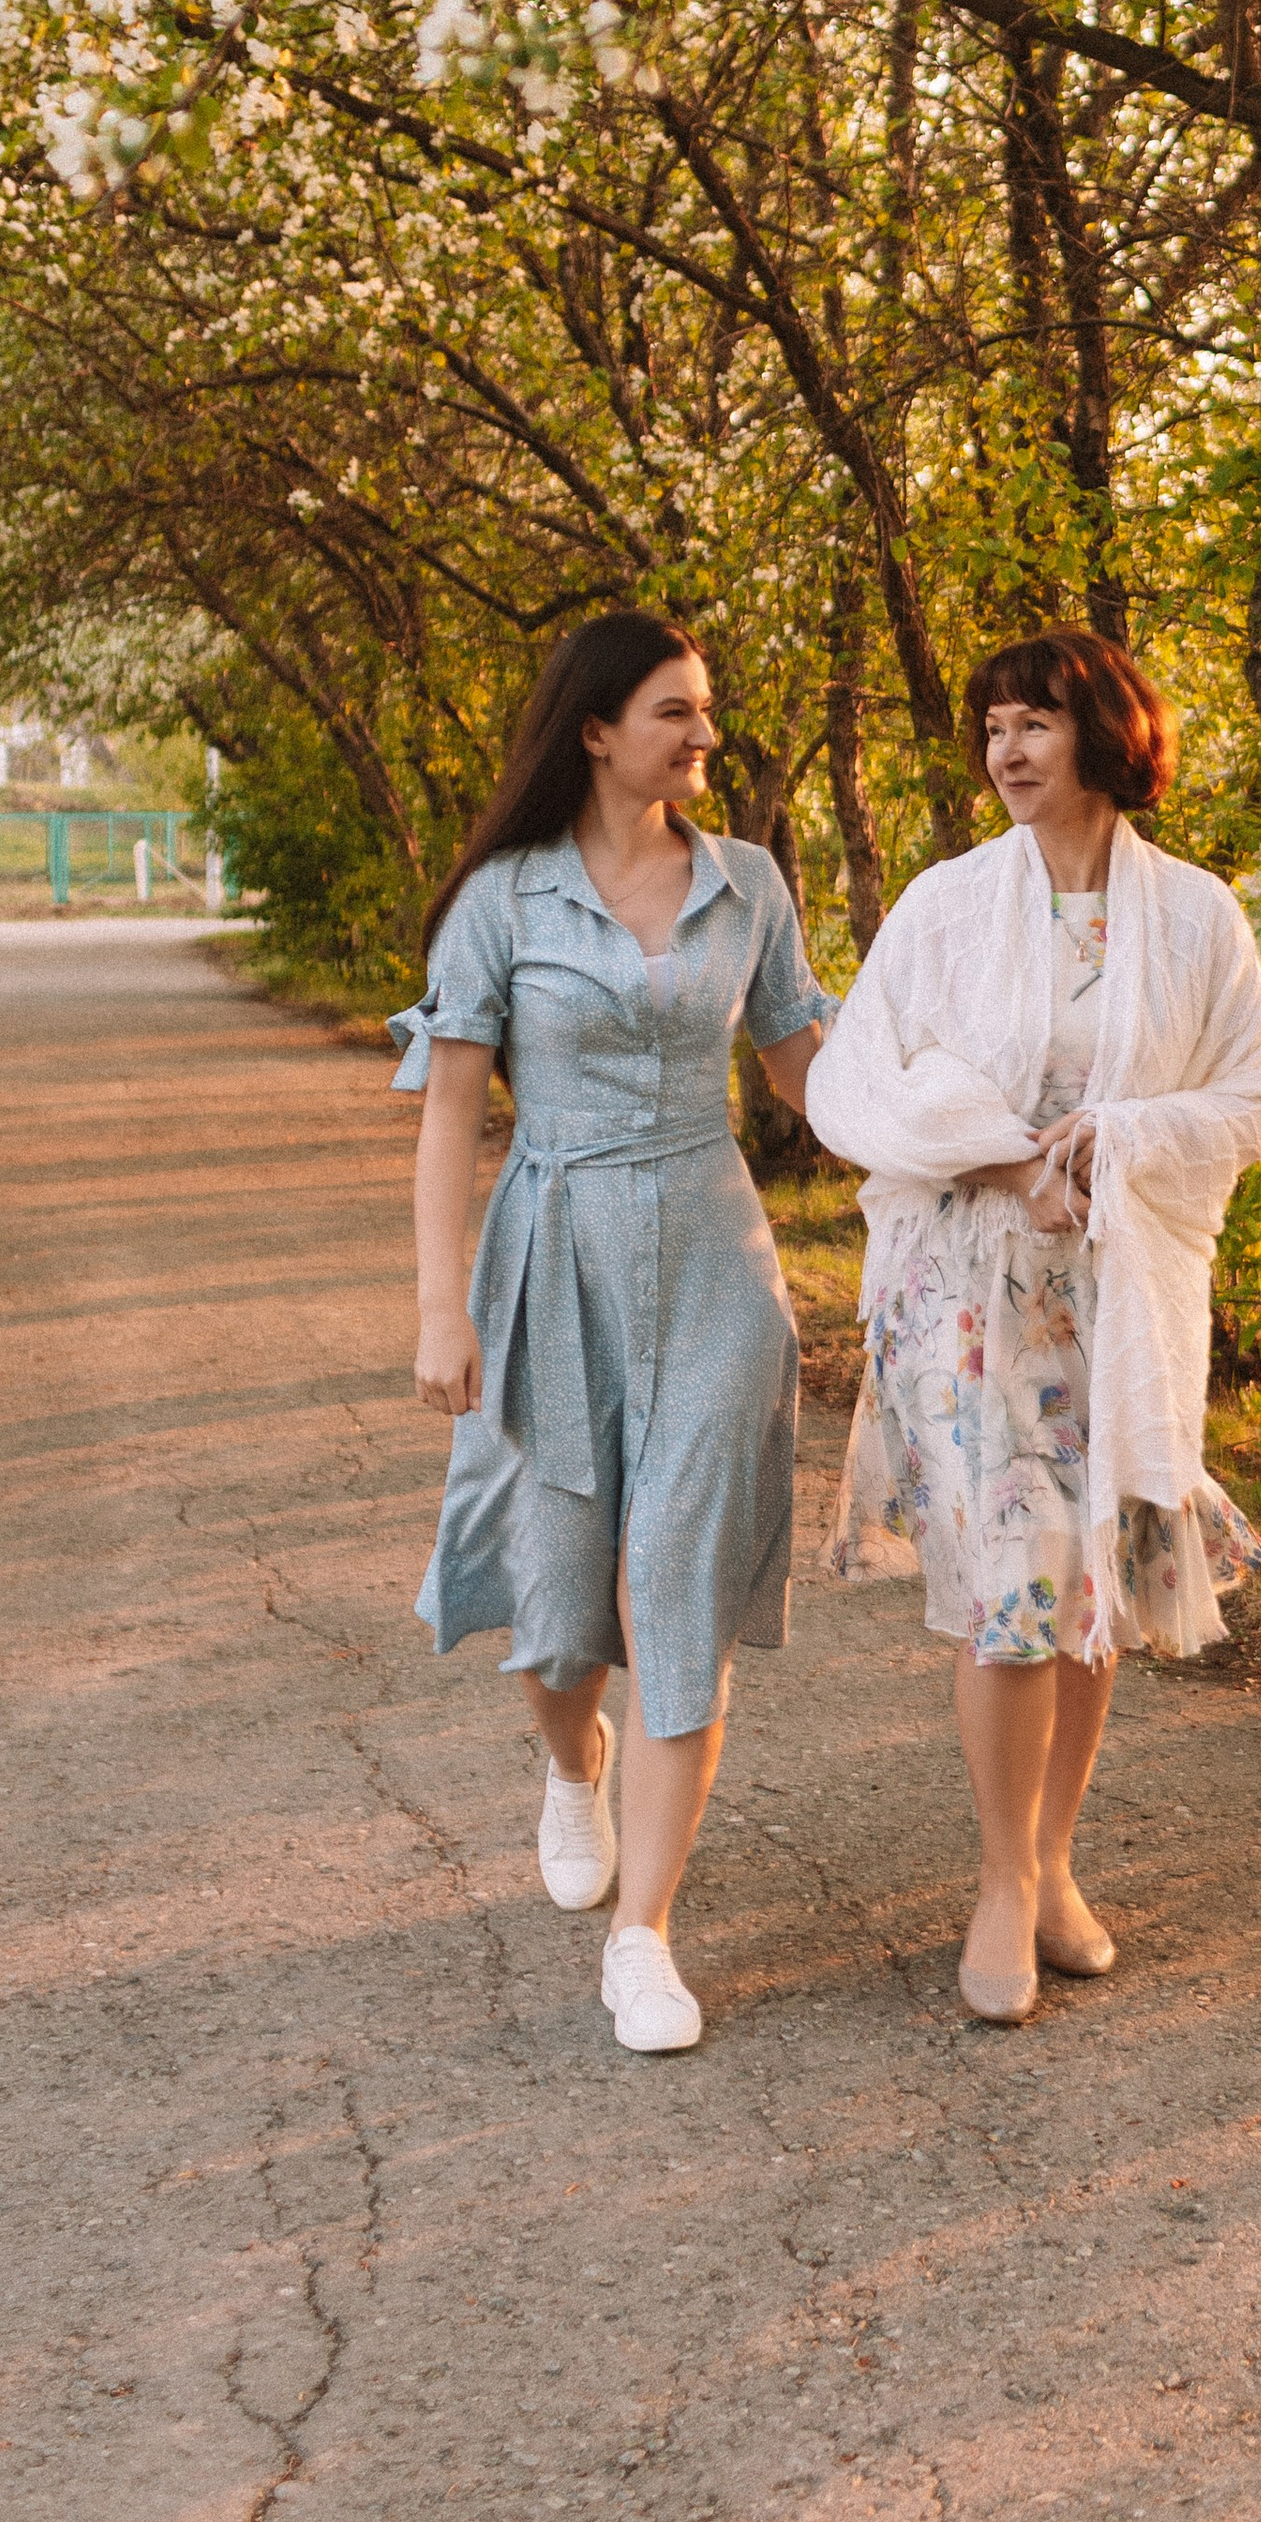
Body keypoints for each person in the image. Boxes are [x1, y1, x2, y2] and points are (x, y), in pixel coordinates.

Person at [806, 627, 1261, 2023]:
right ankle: (1002, 1885)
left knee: (1089, 1598)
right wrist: (1008, 1159)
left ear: (1105, 733)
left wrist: (1111, 1140)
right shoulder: (948, 906)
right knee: (1016, 1596)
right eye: (994, 728)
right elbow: (852, 1085)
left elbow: (1252, 1103)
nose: (1009, 752)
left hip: (1119, 1296)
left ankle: (1056, 1865)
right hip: (969, 1294)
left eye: (1036, 723)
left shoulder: (1196, 915)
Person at [392, 613, 832, 2055]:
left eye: (705, 712)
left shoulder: (748, 882)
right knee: (560, 1587)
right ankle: (569, 1767)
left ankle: (643, 1935)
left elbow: (803, 1070)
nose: (704, 736)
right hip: (553, 1250)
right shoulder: (504, 901)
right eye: (673, 712)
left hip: (716, 1254)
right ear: (595, 730)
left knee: (680, 1581)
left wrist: (960, 1162)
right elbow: (454, 1108)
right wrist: (441, 1308)